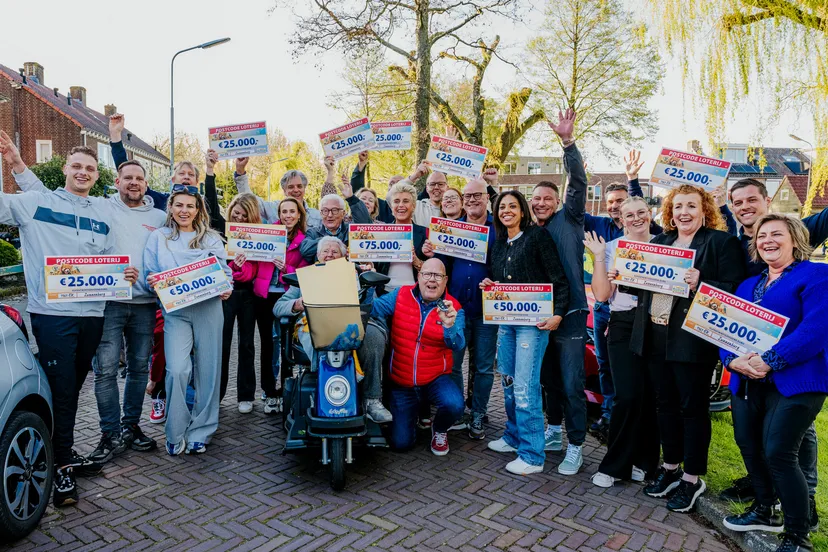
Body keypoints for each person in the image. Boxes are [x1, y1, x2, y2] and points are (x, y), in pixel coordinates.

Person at [0, 141, 129, 506]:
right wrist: (15, 164)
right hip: (53, 315)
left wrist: (124, 271)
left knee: (70, 390)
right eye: (77, 166)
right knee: (62, 388)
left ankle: (58, 451)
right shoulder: (35, 203)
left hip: (92, 315)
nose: (83, 173)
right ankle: (62, 469)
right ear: (66, 169)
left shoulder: (103, 212)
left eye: (89, 168)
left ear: (95, 173)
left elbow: (109, 258)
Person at [628, 184, 744, 513]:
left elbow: (735, 290)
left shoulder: (721, 243)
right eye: (678, 206)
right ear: (670, 212)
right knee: (664, 405)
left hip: (691, 340)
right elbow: (643, 285)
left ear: (705, 210)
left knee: (692, 409)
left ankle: (692, 479)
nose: (684, 212)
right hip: (654, 336)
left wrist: (701, 282)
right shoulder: (661, 242)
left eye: (691, 206)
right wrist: (624, 274)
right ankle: (670, 468)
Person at [720, 178, 828, 518]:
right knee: (753, 444)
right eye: (738, 202)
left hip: (791, 375)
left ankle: (802, 505)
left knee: (787, 446)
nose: (768, 240)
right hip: (749, 376)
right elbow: (724, 327)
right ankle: (765, 502)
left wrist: (770, 361)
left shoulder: (813, 273)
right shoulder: (744, 269)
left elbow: (815, 329)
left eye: (776, 235)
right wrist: (733, 360)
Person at [483, 191, 570, 475]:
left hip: (534, 325)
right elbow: (501, 282)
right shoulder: (498, 244)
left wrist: (558, 313)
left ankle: (532, 455)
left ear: (523, 210)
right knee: (508, 382)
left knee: (525, 386)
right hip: (506, 323)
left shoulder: (536, 238)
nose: (507, 211)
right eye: (502, 207)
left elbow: (558, 278)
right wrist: (490, 286)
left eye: (513, 206)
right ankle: (513, 436)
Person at [144, 186, 232, 456]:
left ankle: (202, 430)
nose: (184, 210)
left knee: (208, 370)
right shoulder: (159, 238)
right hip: (176, 311)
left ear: (198, 210)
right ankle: (175, 431)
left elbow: (225, 272)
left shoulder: (211, 239)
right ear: (170, 207)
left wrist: (226, 285)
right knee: (178, 369)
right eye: (179, 205)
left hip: (208, 308)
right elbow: (150, 273)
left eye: (190, 206)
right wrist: (152, 282)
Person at [582, 149, 662, 438]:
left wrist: (632, 179)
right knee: (607, 364)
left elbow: (639, 208)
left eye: (621, 202)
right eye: (613, 203)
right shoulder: (602, 228)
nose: (617, 208)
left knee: (641, 377)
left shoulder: (659, 237)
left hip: (649, 315)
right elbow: (574, 210)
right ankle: (609, 412)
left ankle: (635, 425)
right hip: (610, 311)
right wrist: (578, 177)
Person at [583, 197, 660, 488]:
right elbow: (602, 296)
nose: (636, 218)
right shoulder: (613, 248)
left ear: (650, 214)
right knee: (626, 395)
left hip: (657, 323)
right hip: (624, 323)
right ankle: (615, 465)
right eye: (630, 214)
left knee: (650, 396)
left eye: (642, 212)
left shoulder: (667, 244)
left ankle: (645, 461)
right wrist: (600, 258)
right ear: (622, 219)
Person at [273, 236, 392, 423]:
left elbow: (372, 306)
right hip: (316, 323)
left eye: (335, 252)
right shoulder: (306, 276)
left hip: (353, 323)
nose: (329, 255)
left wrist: (368, 285)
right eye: (325, 252)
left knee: (374, 337)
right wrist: (297, 304)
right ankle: (324, 390)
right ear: (318, 256)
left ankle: (372, 400)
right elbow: (278, 307)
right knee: (319, 334)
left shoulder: (357, 274)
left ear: (344, 257)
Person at [531, 108, 589, 475]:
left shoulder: (570, 219)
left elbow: (579, 181)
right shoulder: (527, 231)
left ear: (558, 201)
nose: (540, 203)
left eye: (547, 198)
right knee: (548, 380)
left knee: (570, 383)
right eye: (535, 198)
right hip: (536, 315)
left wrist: (568, 144)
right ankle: (553, 431)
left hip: (569, 315)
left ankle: (577, 444)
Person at [369, 258, 466, 455]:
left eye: (438, 275)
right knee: (401, 444)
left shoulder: (454, 307)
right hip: (402, 380)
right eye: (427, 274)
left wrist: (449, 326)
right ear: (419, 277)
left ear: (445, 280)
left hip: (435, 378)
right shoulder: (401, 295)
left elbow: (458, 344)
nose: (432, 280)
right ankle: (410, 415)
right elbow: (373, 308)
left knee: (455, 405)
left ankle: (439, 428)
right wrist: (364, 285)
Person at [435, 177, 496, 440]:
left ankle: (479, 413)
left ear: (486, 197)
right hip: (456, 308)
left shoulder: (498, 229)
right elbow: (440, 264)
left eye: (477, 195)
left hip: (487, 309)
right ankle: (459, 411)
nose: (472, 200)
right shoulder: (451, 228)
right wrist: (431, 251)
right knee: (454, 364)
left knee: (483, 366)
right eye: (468, 196)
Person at [258, 197, 309, 414]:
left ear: (299, 215)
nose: (287, 215)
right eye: (284, 211)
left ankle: (286, 390)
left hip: (289, 296)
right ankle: (269, 391)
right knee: (269, 344)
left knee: (286, 343)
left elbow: (305, 272)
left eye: (292, 212)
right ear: (279, 214)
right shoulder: (268, 234)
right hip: (266, 293)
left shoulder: (304, 240)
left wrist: (286, 267)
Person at [220, 193, 263, 412]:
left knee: (247, 344)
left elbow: (256, 268)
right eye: (236, 213)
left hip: (248, 293)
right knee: (222, 343)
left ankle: (246, 395)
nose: (239, 218)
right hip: (226, 292)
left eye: (245, 216)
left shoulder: (258, 235)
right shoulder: (222, 233)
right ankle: (216, 394)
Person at [233, 156, 333, 227]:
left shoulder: (316, 216)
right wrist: (240, 171)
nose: (296, 190)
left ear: (304, 188)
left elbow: (331, 206)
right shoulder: (273, 208)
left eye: (299, 186)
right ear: (284, 190)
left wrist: (330, 171)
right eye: (290, 187)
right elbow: (250, 200)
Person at [299, 177, 373, 263]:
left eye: (334, 210)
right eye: (325, 211)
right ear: (320, 213)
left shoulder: (351, 231)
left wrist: (351, 199)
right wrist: (333, 241)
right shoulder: (313, 233)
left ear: (343, 213)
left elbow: (366, 226)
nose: (330, 215)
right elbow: (305, 250)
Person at [377, 181, 431, 292]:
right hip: (384, 293)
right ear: (391, 206)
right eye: (396, 201)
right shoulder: (381, 233)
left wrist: (415, 260)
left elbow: (435, 269)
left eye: (406, 201)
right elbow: (374, 266)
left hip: (415, 293)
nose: (401, 205)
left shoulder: (426, 233)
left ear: (414, 206)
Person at [350, 150, 400, 223]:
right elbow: (358, 191)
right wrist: (362, 163)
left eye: (399, 183)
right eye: (391, 184)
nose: (394, 186)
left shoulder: (415, 206)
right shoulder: (381, 205)